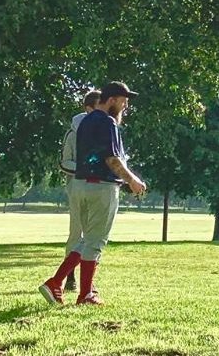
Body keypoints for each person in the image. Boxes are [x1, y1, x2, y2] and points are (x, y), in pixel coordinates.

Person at [40, 81, 146, 306]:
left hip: (80, 185)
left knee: (87, 239)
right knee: (96, 241)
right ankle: (85, 294)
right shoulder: (108, 122)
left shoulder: (85, 122)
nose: (125, 106)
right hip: (102, 188)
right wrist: (132, 180)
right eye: (123, 101)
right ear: (112, 100)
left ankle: (56, 282)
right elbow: (112, 159)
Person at [57, 90, 101, 292]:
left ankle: (88, 280)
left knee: (95, 234)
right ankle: (70, 277)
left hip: (99, 187)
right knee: (77, 232)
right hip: (77, 187)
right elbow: (64, 162)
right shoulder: (73, 133)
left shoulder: (103, 130)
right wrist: (84, 169)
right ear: (88, 108)